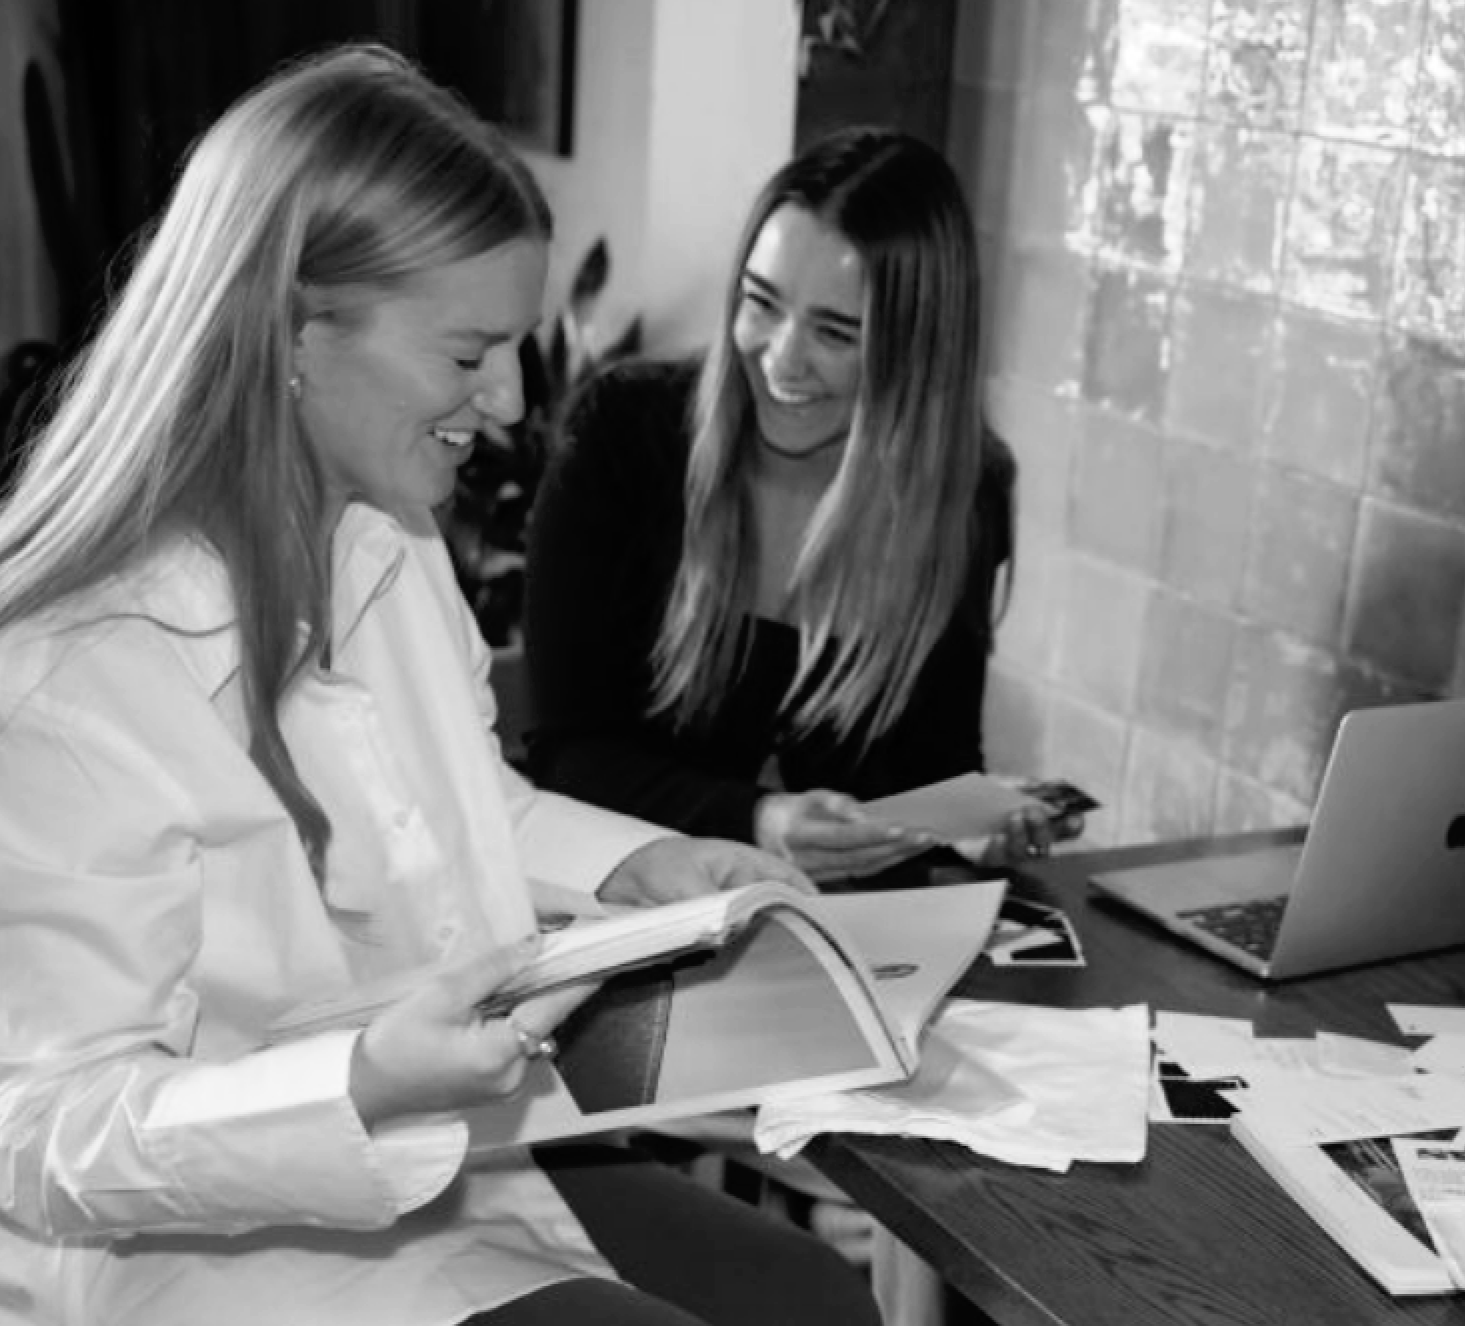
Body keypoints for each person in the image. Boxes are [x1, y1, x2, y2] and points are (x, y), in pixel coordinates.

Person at [0, 45, 881, 1326]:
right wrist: (359, 1085)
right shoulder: (71, 669)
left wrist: (649, 866)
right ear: (296, 332)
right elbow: (41, 1128)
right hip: (191, 1258)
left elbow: (472, 803)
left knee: (804, 1294)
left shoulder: (389, 541)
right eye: (470, 353)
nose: (514, 401)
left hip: (441, 1176)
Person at [524, 127, 1079, 884]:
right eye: (761, 303)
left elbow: (927, 773)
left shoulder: (964, 491)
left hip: (859, 941)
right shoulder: (622, 434)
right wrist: (761, 820)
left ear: (916, 352)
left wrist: (974, 831)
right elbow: (566, 755)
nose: (782, 359)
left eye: (836, 332)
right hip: (641, 924)